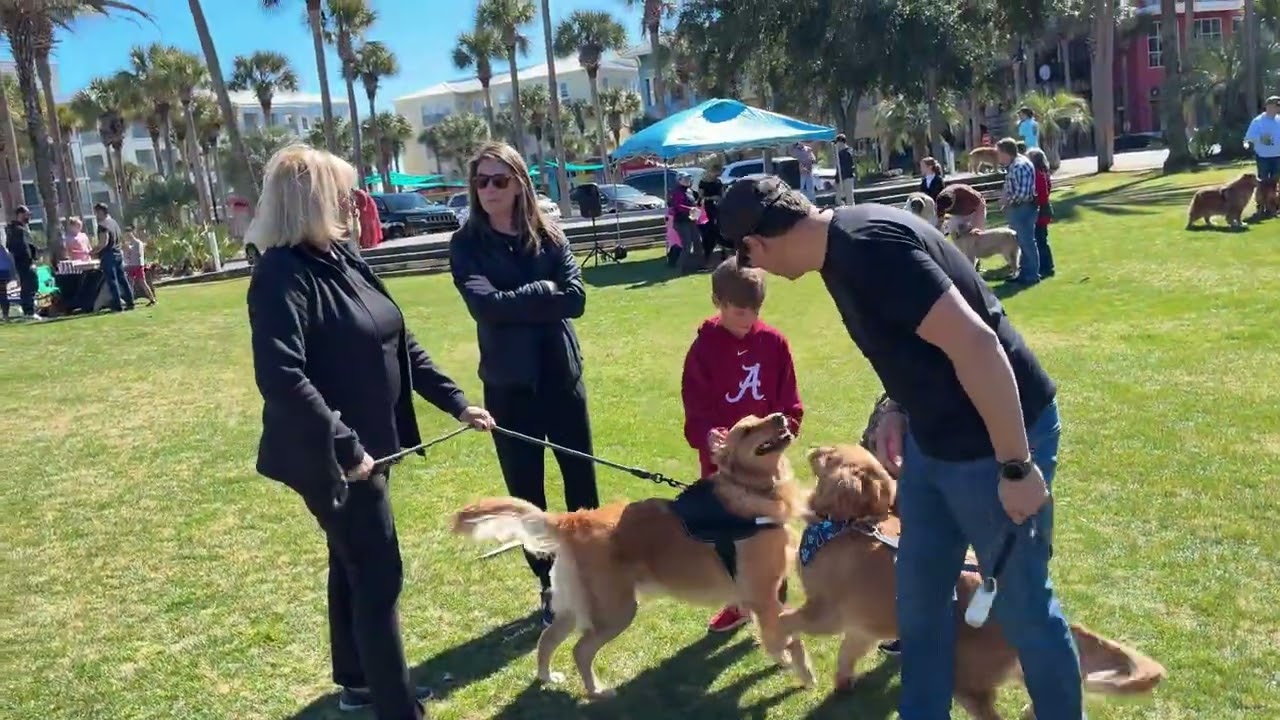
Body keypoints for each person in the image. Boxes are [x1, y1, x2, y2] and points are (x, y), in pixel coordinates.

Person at [718, 176, 1077, 720]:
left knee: (1024, 605)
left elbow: (978, 345)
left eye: (748, 259)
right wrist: (895, 407)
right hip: (935, 445)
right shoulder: (840, 249)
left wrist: (1016, 464)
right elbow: (916, 345)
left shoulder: (871, 252)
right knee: (919, 603)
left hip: (995, 440)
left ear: (755, 245)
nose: (757, 271)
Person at [247, 144, 495, 720]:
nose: (355, 203)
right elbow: (281, 375)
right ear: (312, 201)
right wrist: (346, 446)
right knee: (379, 575)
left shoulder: (343, 258)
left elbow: (398, 340)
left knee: (352, 563)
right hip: (329, 456)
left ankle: (358, 683)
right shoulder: (281, 274)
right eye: (343, 193)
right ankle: (395, 705)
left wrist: (456, 403)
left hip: (366, 448)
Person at [448, 141, 600, 627]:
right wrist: (541, 291)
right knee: (526, 493)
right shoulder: (466, 244)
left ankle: (591, 574)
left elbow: (575, 300)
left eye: (499, 180)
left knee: (581, 481)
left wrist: (524, 299)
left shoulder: (551, 236)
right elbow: (485, 307)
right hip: (509, 387)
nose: (488, 189)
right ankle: (549, 585)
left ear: (519, 184)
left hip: (562, 377)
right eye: (481, 181)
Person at [681, 256, 804, 634]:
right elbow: (696, 412)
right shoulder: (703, 351)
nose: (747, 318)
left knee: (769, 532)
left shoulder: (774, 343)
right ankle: (737, 601)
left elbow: (790, 404)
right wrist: (709, 436)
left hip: (766, 468)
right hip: (725, 467)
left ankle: (773, 599)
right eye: (738, 311)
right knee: (729, 535)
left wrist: (786, 432)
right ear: (718, 301)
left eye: (754, 311)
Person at [996, 138, 1040, 285]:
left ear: (1006, 153)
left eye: (999, 153)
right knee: (1020, 241)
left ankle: (1032, 275)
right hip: (1017, 208)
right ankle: (1024, 273)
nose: (998, 157)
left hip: (1023, 208)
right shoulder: (1014, 164)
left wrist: (1007, 201)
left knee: (1026, 241)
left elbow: (1023, 193)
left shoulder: (1020, 166)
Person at [91, 202, 135, 312]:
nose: (96, 215)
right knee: (122, 279)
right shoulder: (114, 223)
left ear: (101, 212)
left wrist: (93, 251)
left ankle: (117, 305)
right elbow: (120, 239)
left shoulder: (102, 225)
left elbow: (103, 243)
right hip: (118, 253)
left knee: (112, 280)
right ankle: (130, 301)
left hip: (108, 255)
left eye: (96, 212)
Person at [1244, 95, 1280, 217]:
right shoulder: (1258, 121)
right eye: (1275, 106)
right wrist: (1260, 139)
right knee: (1263, 183)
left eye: (1278, 106)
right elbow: (1248, 137)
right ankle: (1261, 208)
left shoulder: (1279, 120)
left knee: (1274, 183)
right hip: (1263, 156)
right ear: (1268, 106)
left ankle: (1273, 208)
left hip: (1277, 156)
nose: (1277, 109)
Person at [5, 205, 40, 319]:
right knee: (28, 285)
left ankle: (30, 309)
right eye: (27, 214)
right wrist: (30, 261)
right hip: (24, 263)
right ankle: (29, 311)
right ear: (20, 214)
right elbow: (22, 248)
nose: (28, 217)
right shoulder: (17, 230)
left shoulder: (19, 229)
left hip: (24, 262)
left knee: (31, 285)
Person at [1026, 148, 1056, 279]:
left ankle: (1046, 267)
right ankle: (1044, 266)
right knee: (1040, 239)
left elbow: (1042, 195)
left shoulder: (1038, 174)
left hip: (1041, 211)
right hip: (1043, 209)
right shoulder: (1043, 173)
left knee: (1040, 239)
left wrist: (1032, 202)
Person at [669, 172, 704, 273]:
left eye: (688, 178)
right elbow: (677, 206)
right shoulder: (676, 192)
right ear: (679, 180)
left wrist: (697, 204)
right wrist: (690, 209)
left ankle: (699, 265)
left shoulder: (689, 191)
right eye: (685, 179)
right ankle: (680, 267)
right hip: (681, 222)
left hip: (690, 220)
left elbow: (694, 202)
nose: (687, 181)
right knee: (687, 244)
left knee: (698, 242)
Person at [698, 167, 727, 264]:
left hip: (717, 208)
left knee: (719, 229)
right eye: (715, 172)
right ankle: (707, 252)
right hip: (707, 208)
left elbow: (722, 195)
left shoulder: (718, 182)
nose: (716, 174)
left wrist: (719, 198)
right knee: (708, 231)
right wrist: (710, 198)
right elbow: (700, 196)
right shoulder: (703, 182)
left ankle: (723, 251)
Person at [123, 225, 157, 306]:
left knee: (142, 283)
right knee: (130, 283)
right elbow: (128, 255)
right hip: (131, 266)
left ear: (132, 233)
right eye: (126, 234)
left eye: (129, 234)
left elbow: (138, 254)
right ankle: (130, 301)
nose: (128, 236)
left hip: (138, 266)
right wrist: (127, 250)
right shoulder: (129, 244)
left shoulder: (138, 243)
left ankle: (152, 299)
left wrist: (129, 250)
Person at [835, 134, 857, 206]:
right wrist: (837, 178)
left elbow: (847, 166)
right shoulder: (840, 153)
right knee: (838, 198)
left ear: (841, 142)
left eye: (837, 143)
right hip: (842, 177)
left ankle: (851, 212)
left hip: (847, 177)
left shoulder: (848, 152)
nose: (837, 145)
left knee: (849, 197)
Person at [0, 233, 12, 321]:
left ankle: (5, 314)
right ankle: (5, 315)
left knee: (3, 294)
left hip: (2, 271)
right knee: (3, 294)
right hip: (4, 271)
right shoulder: (1, 248)